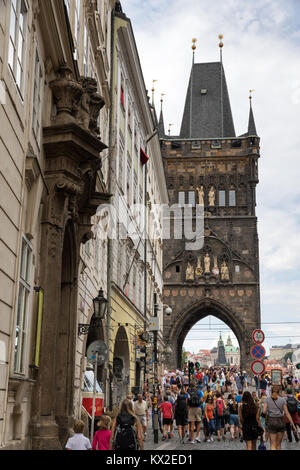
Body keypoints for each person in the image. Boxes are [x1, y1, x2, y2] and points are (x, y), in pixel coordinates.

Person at [262, 386, 297, 450]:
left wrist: (268, 410)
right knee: (278, 445)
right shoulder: (282, 400)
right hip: (280, 421)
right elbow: (287, 413)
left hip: (271, 421)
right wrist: (293, 425)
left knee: (272, 444)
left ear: (271, 392)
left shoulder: (267, 399)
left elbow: (264, 411)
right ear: (279, 392)